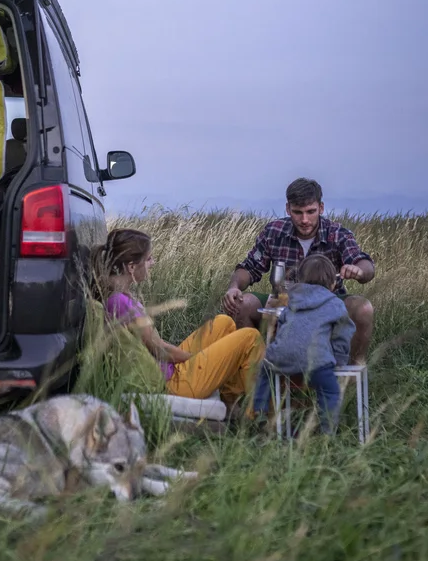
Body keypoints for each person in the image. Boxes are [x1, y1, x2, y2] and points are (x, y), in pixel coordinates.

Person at [92, 229, 264, 407]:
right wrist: (196, 359)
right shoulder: (120, 302)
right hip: (175, 383)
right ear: (131, 267)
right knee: (250, 337)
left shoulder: (120, 297)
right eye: (148, 259)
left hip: (168, 369)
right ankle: (258, 412)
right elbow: (158, 349)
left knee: (224, 322)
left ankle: (231, 400)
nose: (153, 263)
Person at [223, 177, 375, 362]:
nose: (304, 220)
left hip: (328, 303)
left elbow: (365, 265)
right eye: (297, 212)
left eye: (310, 212)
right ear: (288, 209)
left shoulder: (337, 234)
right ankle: (255, 370)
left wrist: (359, 271)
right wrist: (234, 287)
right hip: (284, 303)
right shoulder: (273, 232)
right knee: (241, 304)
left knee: (363, 308)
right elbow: (249, 268)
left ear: (321, 208)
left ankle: (350, 371)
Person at [252, 254, 355, 433]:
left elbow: (281, 323)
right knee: (330, 391)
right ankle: (327, 430)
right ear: (333, 284)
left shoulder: (291, 300)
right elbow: (343, 334)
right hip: (318, 361)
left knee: (265, 371)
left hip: (282, 357)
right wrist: (339, 360)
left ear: (299, 280)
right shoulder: (335, 304)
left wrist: (280, 347)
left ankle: (260, 411)